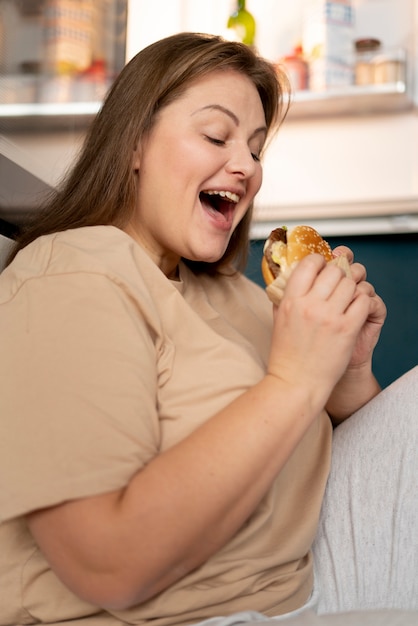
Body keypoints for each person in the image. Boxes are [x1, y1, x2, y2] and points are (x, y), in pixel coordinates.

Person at [0, 32, 416, 626]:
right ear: (135, 142)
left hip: (299, 582)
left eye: (254, 147)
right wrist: (295, 379)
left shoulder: (239, 296)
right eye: (216, 136)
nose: (247, 165)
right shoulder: (70, 277)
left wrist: (346, 376)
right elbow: (107, 566)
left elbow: (339, 469)